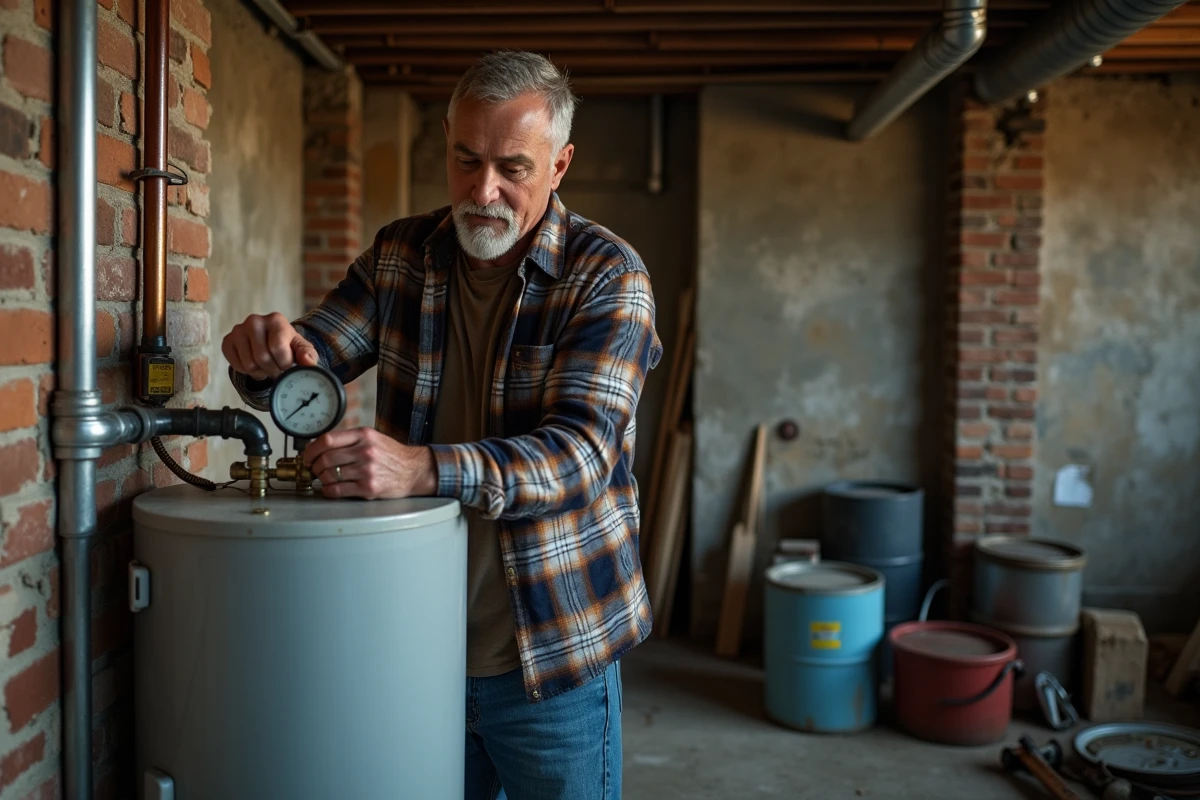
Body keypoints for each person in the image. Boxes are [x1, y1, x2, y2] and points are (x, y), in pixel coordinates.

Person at [222, 50, 662, 800]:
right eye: (465, 160)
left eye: (511, 168)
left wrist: (419, 468)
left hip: (552, 656)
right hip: (415, 645)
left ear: (559, 166)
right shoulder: (403, 255)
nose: (481, 191)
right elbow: (317, 355)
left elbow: (579, 456)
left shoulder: (609, 276)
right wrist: (269, 359)